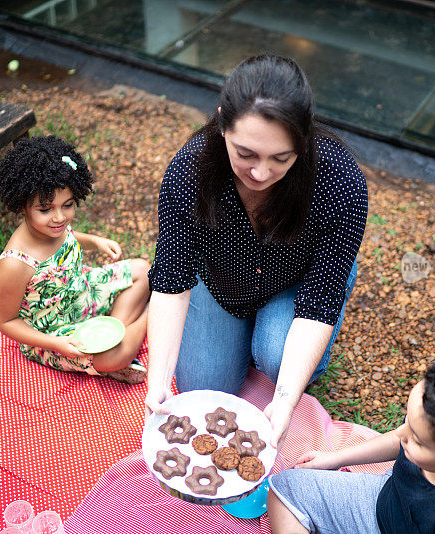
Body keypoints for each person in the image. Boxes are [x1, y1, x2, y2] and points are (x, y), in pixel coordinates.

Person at [145, 54, 369, 448]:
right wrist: (158, 380)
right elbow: (172, 276)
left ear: (303, 140)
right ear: (221, 124)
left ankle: (271, 334)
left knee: (279, 359)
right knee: (203, 384)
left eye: (280, 158)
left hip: (295, 279)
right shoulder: (189, 170)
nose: (261, 173)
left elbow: (320, 301)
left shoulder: (340, 182)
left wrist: (284, 403)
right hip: (218, 279)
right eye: (246, 154)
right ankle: (244, 331)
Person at [267, 358, 435, 534]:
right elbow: (400, 437)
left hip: (387, 524)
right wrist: (334, 459)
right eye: (408, 420)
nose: (401, 433)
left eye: (417, 439)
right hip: (389, 500)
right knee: (285, 489)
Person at [0, 135, 150, 384]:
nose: (59, 217)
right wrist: (57, 343)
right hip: (56, 332)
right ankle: (146, 319)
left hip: (83, 293)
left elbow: (69, 236)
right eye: (45, 209)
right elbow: (6, 321)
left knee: (142, 269)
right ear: (22, 205)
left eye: (67, 205)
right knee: (113, 356)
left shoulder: (53, 226)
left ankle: (113, 331)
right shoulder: (15, 263)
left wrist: (96, 241)